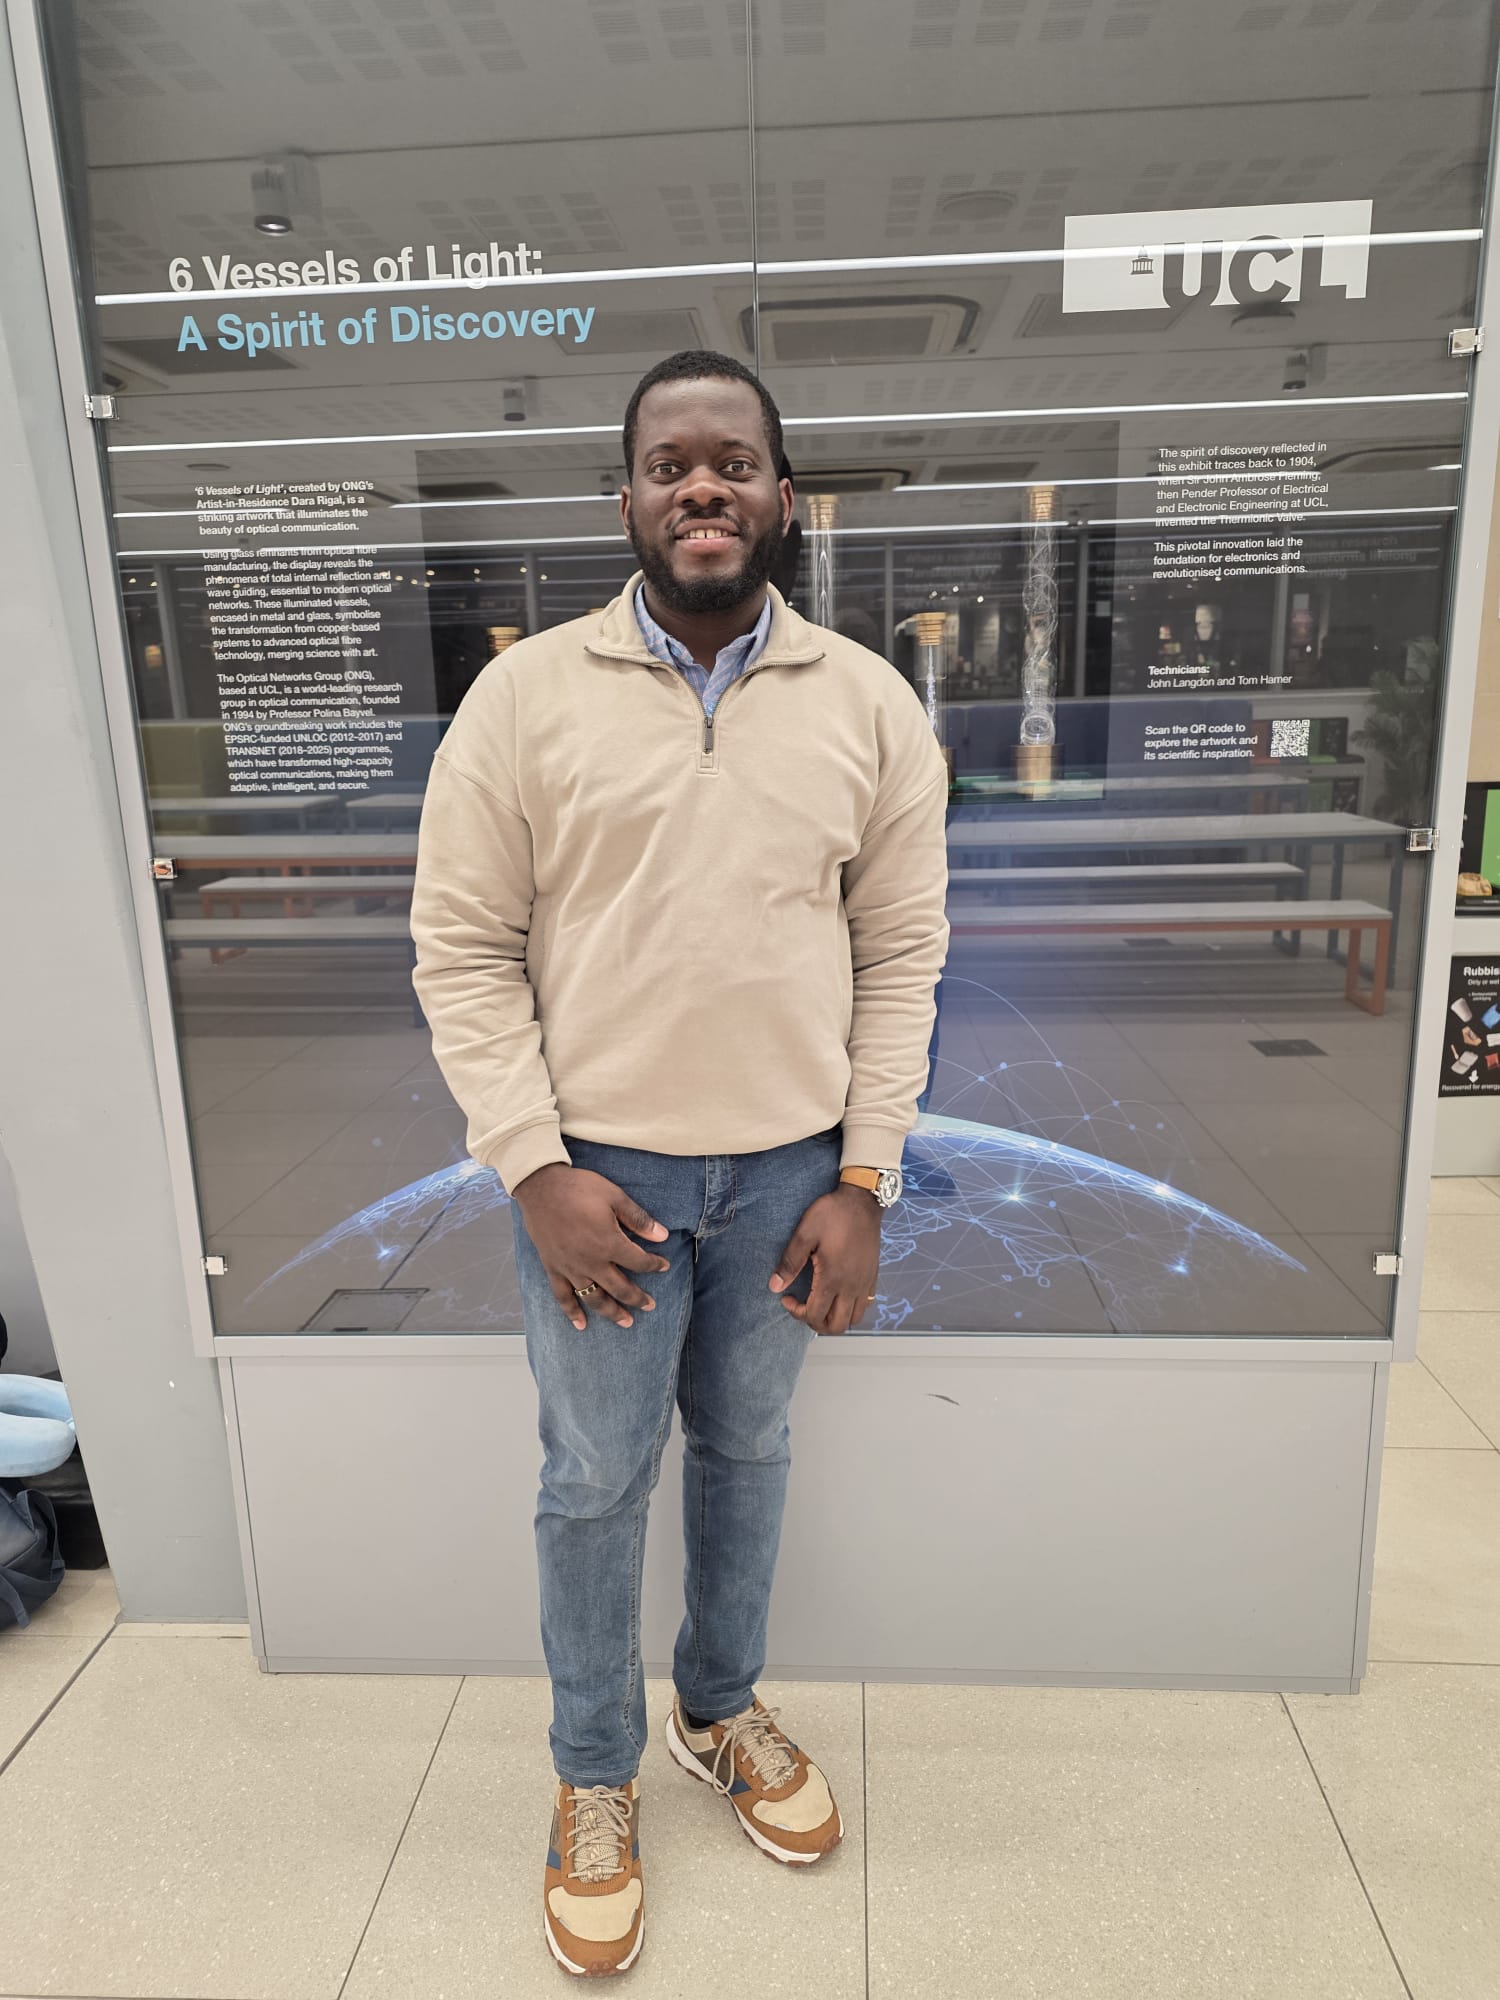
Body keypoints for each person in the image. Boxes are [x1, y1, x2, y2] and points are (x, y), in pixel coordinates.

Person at [410, 350, 950, 1978]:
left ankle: (717, 1709)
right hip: (601, 1186)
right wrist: (533, 1169)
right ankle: (595, 1772)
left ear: (783, 495)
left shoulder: (866, 701)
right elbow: (461, 950)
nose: (701, 486)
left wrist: (864, 1178)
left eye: (733, 461)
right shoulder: (525, 699)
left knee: (750, 1450)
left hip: (791, 1176)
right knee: (593, 1479)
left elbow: (902, 954)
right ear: (628, 498)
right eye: (668, 465)